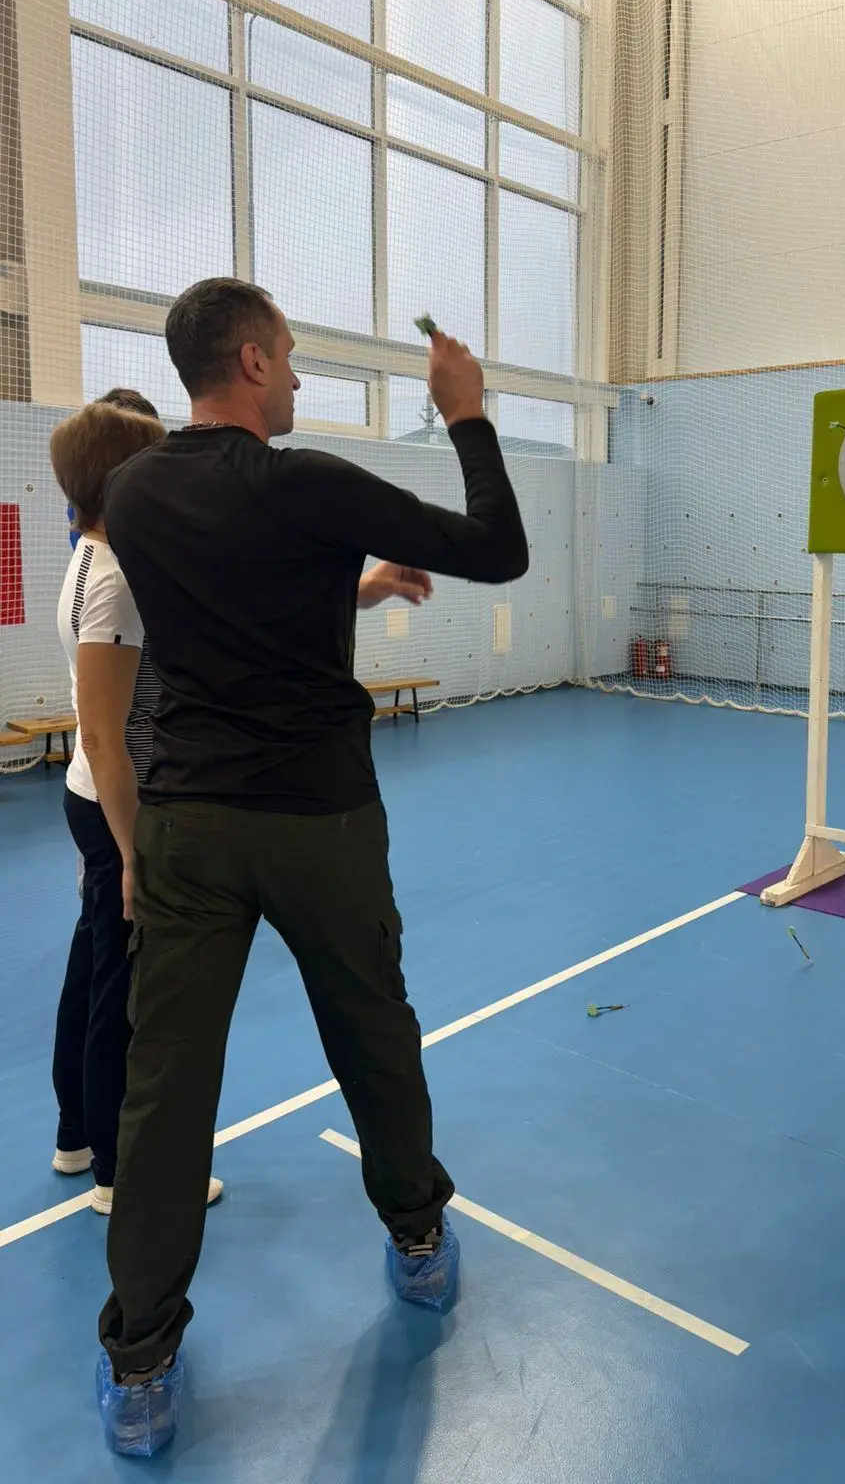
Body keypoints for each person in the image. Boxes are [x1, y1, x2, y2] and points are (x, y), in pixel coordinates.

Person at [95, 278, 529, 1457]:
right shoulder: (308, 485)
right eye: (286, 356)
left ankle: (141, 1363)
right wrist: (465, 411)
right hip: (318, 821)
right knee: (373, 1034)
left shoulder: (132, 493)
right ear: (247, 361)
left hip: (187, 822)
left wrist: (355, 581)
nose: (294, 376)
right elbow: (498, 549)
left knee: (164, 1087)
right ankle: (419, 1239)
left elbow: (243, 593)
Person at [49, 393, 225, 1219]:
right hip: (119, 805)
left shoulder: (95, 555)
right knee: (123, 994)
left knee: (92, 967)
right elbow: (104, 731)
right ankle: (120, 1172)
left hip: (93, 795)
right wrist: (131, 854)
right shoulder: (116, 581)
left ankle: (76, 1134)